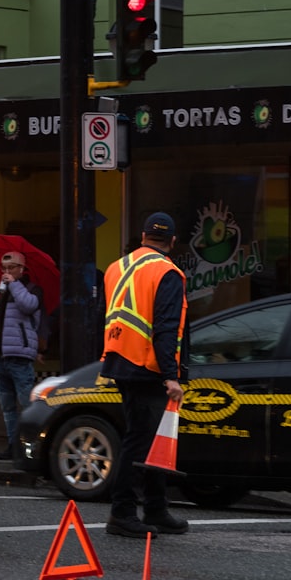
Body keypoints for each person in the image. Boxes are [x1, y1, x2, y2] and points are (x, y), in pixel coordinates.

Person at [101, 212, 189, 538]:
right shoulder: (167, 271)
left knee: (152, 440)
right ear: (173, 241)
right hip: (148, 366)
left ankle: (155, 507)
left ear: (142, 236)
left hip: (120, 360)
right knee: (140, 441)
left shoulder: (116, 267)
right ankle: (122, 512)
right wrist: (171, 375)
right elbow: (165, 326)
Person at [0, 250, 44, 461]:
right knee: (8, 408)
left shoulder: (32, 289)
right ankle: (13, 446)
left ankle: (31, 448)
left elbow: (29, 305)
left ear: (22, 269)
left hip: (20, 356)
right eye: (3, 268)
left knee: (27, 406)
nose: (6, 272)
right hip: (1, 356)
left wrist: (13, 283)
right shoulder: (2, 293)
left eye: (11, 267)